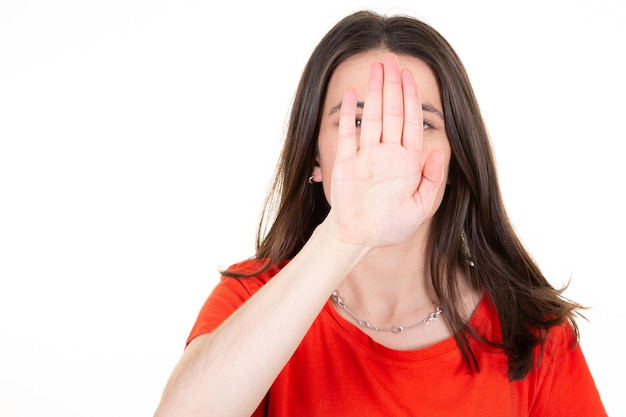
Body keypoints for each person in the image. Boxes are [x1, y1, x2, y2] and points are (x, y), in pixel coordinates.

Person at [153, 10, 606, 417]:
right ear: (314, 156)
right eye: (357, 120)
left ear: (454, 160)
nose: (389, 144)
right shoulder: (251, 300)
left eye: (421, 123)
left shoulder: (534, 335)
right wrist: (345, 234)